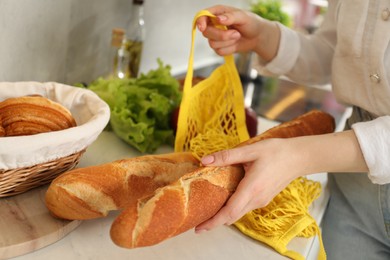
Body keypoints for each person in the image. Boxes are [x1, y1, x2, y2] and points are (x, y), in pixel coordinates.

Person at [194, 2, 390, 260]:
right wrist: (264, 36)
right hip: (352, 183)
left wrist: (299, 156)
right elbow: (336, 52)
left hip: (350, 153)